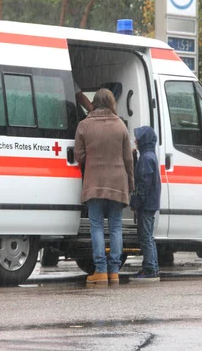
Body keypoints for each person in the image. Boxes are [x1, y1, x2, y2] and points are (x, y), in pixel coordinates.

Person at [74, 88, 134, 284]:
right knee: (116, 228)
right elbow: (128, 159)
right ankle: (114, 271)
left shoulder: (84, 126)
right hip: (117, 184)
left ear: (95, 102)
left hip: (94, 184)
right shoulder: (121, 126)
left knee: (97, 227)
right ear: (111, 103)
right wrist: (131, 183)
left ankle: (100, 270)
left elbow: (79, 156)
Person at [130, 126, 162, 281]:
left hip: (147, 204)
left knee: (145, 237)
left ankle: (149, 269)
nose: (135, 141)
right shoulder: (149, 156)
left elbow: (143, 184)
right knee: (149, 236)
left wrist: (135, 202)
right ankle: (152, 267)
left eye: (138, 138)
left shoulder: (146, 159)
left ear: (144, 140)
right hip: (151, 203)